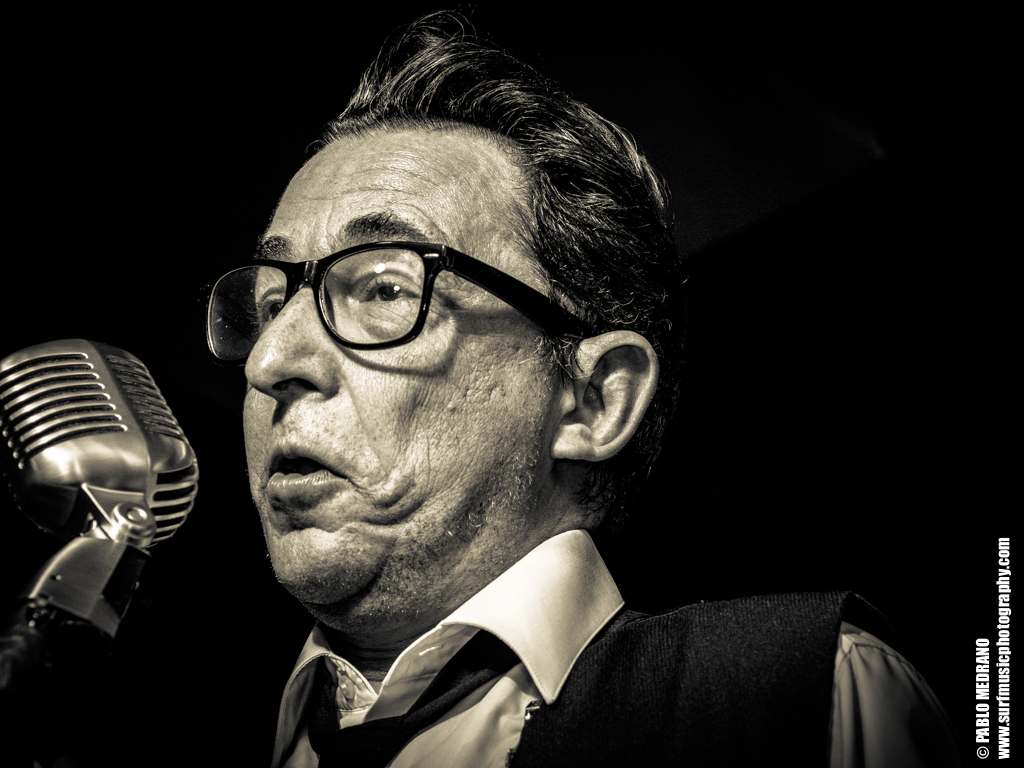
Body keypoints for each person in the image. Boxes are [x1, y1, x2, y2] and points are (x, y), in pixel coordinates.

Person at [204, 11, 962, 767]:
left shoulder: (811, 701)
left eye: (383, 289)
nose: (269, 358)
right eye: (271, 304)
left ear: (594, 400)